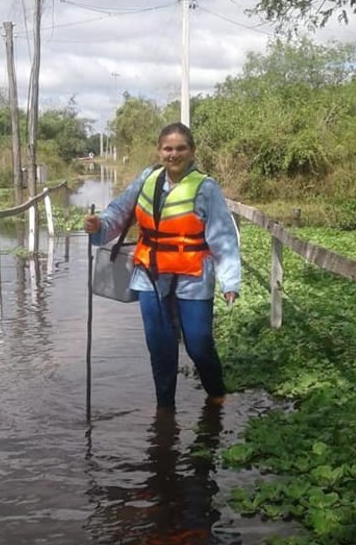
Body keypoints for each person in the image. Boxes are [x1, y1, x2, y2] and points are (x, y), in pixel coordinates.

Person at [84, 122, 241, 411]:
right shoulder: (148, 179)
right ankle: (165, 409)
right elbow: (118, 213)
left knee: (199, 343)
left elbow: (223, 236)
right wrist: (98, 226)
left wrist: (229, 282)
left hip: (192, 273)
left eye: (181, 148)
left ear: (192, 151)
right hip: (150, 273)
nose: (174, 154)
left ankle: (216, 394)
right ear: (159, 152)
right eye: (168, 148)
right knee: (160, 346)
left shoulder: (206, 188)